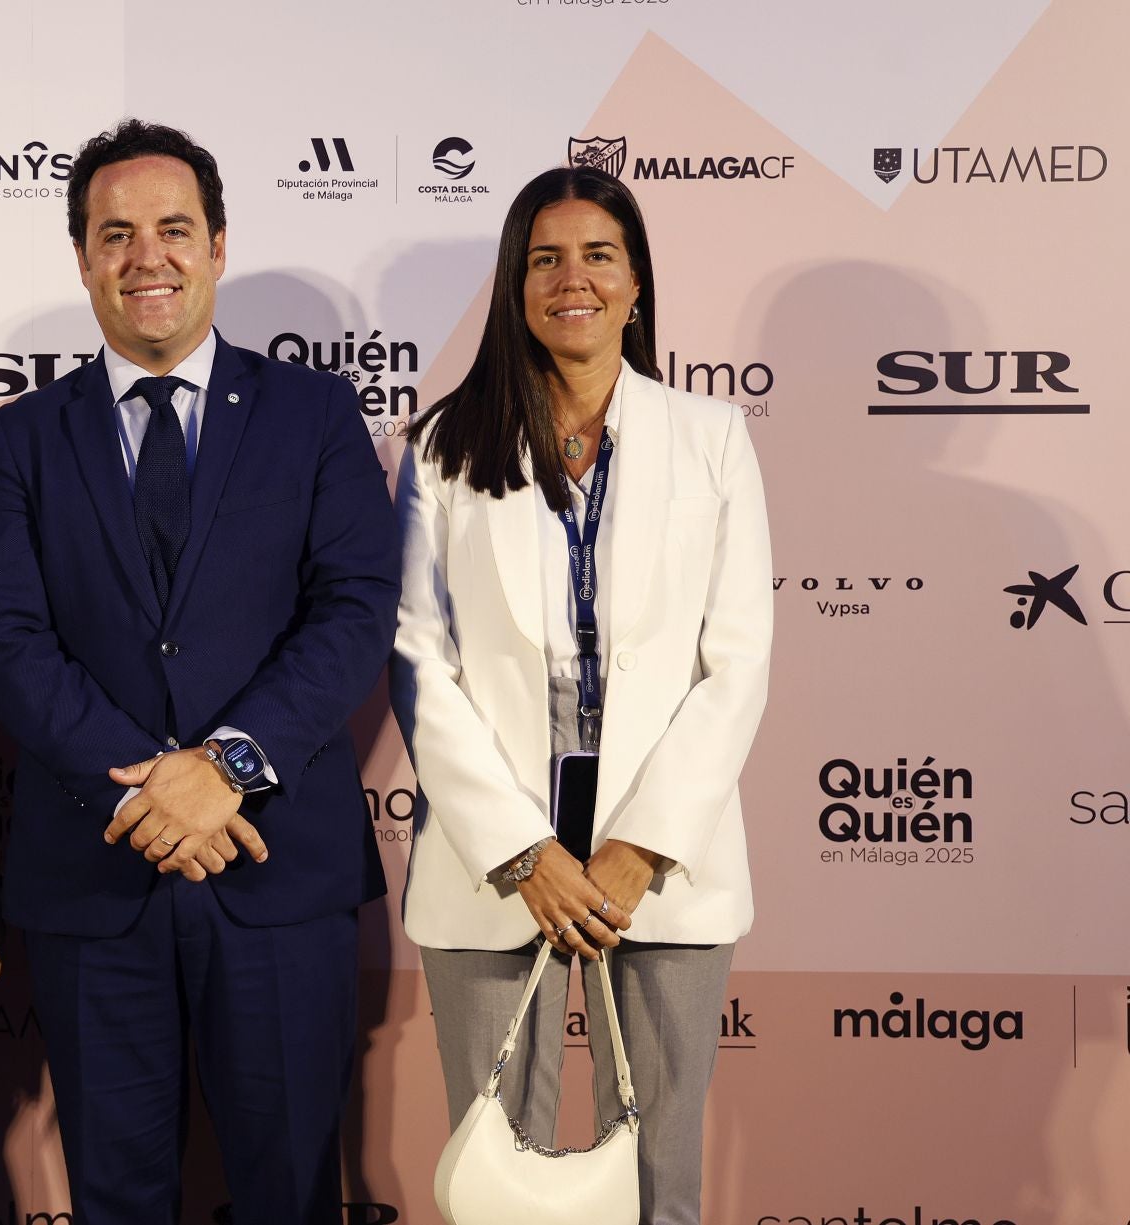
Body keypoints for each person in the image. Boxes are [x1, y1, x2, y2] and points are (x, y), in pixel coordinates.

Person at [0, 120, 399, 1224]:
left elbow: (353, 612)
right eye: (116, 235)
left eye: (171, 230)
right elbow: (7, 638)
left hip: (276, 874)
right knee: (116, 1197)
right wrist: (156, 785)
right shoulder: (21, 439)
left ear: (217, 245)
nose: (145, 257)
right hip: (98, 879)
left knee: (289, 1193)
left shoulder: (314, 414)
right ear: (81, 258)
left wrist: (226, 768)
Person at [391, 166, 771, 1225]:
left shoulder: (713, 439)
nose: (574, 279)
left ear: (637, 284)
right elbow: (419, 658)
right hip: (490, 864)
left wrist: (637, 850)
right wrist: (523, 850)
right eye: (545, 258)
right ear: (516, 287)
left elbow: (736, 662)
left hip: (667, 864)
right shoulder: (440, 448)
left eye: (599, 255)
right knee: (494, 1181)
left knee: (660, 1183)